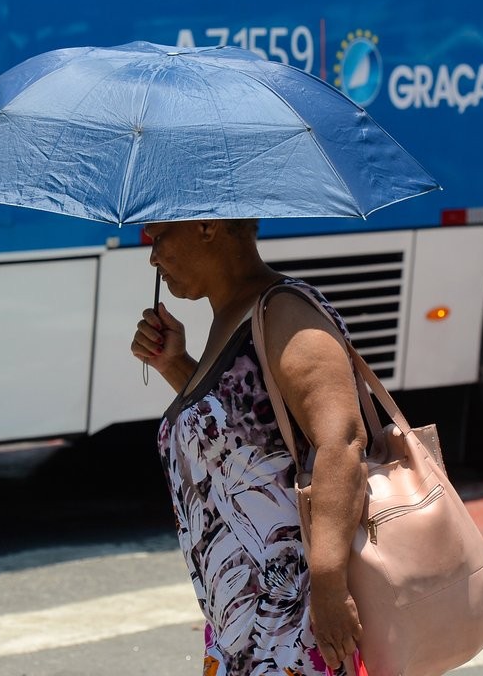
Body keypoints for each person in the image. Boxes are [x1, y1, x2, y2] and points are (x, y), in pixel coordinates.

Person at [131, 218, 368, 676]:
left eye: (159, 237)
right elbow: (243, 446)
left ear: (206, 226)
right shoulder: (231, 316)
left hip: (295, 621)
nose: (153, 257)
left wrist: (329, 584)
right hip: (242, 630)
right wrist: (176, 364)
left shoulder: (284, 312)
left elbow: (341, 442)